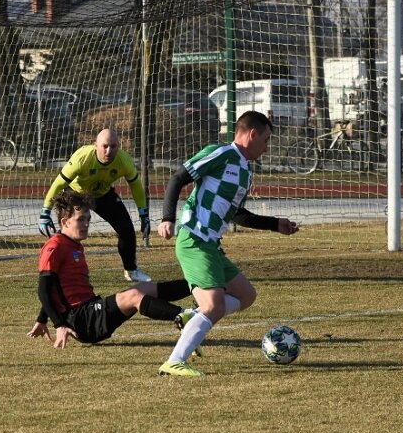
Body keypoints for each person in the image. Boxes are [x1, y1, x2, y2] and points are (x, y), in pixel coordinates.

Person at [156, 111, 300, 377]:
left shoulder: (245, 172)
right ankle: (174, 361)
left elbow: (238, 214)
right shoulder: (221, 153)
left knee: (246, 296)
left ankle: (193, 316)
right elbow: (178, 177)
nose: (266, 148)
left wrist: (274, 224)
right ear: (252, 134)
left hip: (211, 245)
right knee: (215, 306)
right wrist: (167, 218)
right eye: (266, 140)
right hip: (194, 239)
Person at [27, 190, 196, 348]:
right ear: (65, 222)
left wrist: (42, 320)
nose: (86, 224)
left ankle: (199, 285)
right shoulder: (55, 247)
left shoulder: (73, 244)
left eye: (88, 219)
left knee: (144, 288)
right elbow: (44, 290)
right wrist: (60, 324)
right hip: (80, 320)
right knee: (134, 296)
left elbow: (56, 288)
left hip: (89, 310)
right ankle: (188, 317)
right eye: (80, 219)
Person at [38, 128, 152, 282]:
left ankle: (131, 271)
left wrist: (143, 214)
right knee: (69, 232)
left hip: (103, 195)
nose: (108, 150)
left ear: (119, 146)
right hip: (76, 193)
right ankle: (58, 269)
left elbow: (136, 186)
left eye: (113, 146)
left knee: (126, 229)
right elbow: (58, 184)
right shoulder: (82, 158)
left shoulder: (124, 161)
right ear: (95, 145)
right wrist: (45, 212)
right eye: (104, 146)